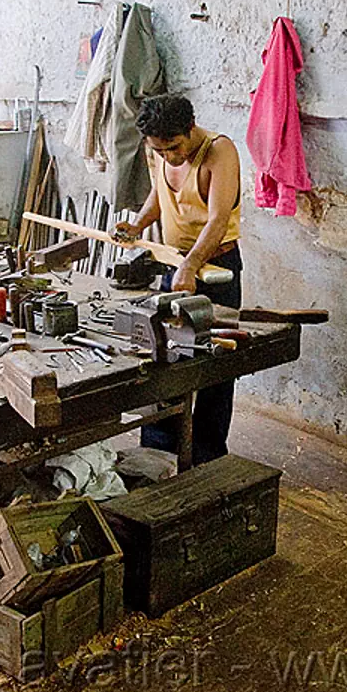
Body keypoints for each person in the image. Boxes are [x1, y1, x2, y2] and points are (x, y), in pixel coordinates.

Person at [115, 93, 242, 465]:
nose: (168, 156)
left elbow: (218, 219)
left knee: (215, 364)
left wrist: (190, 266)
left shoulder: (219, 152)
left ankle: (206, 455)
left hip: (215, 269)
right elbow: (160, 193)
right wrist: (137, 224)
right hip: (176, 264)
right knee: (165, 357)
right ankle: (160, 449)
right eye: (159, 150)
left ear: (190, 128)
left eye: (173, 148)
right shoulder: (161, 152)